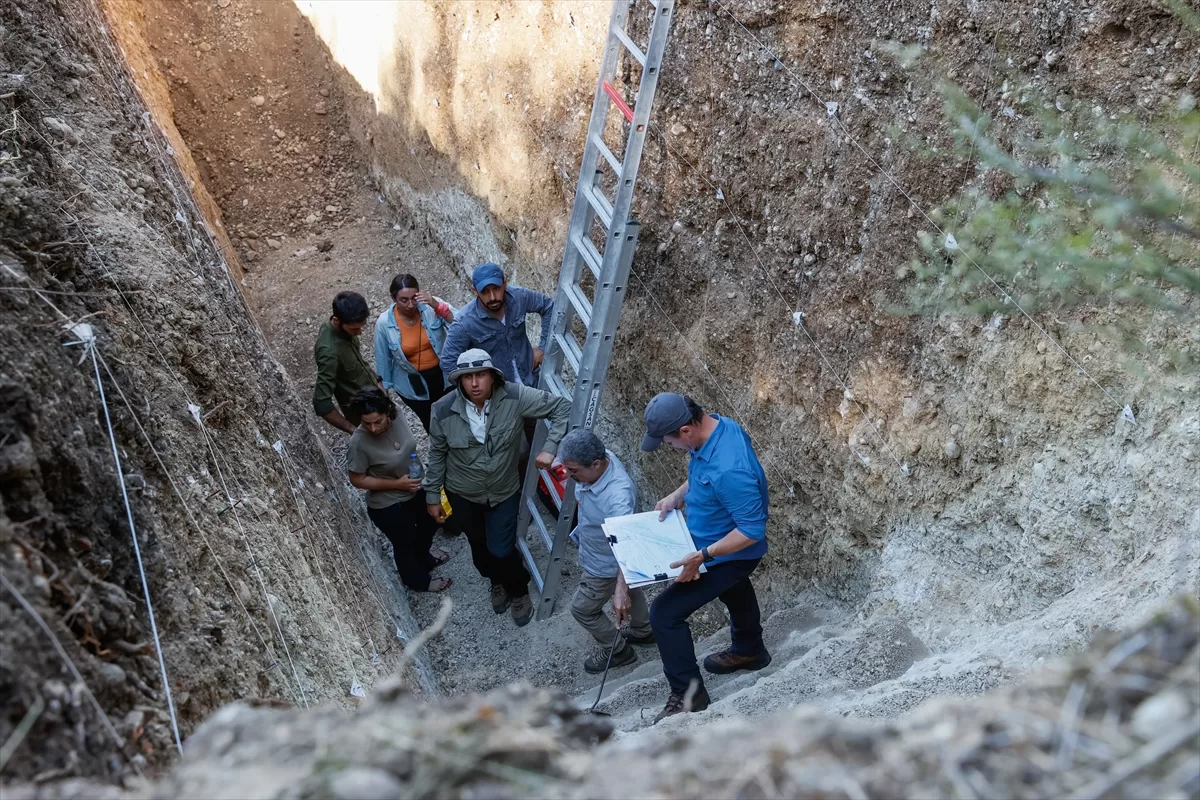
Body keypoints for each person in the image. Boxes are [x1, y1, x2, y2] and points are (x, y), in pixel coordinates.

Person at [639, 392, 771, 724]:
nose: (669, 446)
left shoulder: (730, 470)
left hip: (731, 553)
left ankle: (689, 693)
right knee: (734, 591)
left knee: (664, 613)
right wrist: (676, 496)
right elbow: (703, 472)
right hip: (713, 546)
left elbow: (751, 530)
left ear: (685, 430)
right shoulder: (719, 425)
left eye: (669, 441)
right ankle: (749, 650)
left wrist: (702, 557)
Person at [423, 349, 571, 627]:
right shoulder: (442, 410)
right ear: (459, 381)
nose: (475, 383)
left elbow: (562, 407)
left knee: (501, 549)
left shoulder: (514, 396)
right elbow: (436, 454)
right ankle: (495, 581)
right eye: (468, 377)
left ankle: (518, 589)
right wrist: (432, 495)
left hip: (503, 491)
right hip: (463, 494)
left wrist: (550, 448)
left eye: (481, 375)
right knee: (479, 548)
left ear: (493, 377)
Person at [557, 428, 654, 673]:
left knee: (582, 609)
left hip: (605, 564)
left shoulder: (617, 499)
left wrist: (619, 587)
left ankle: (617, 650)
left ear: (596, 464)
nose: (568, 475)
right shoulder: (601, 460)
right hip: (599, 550)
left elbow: (625, 546)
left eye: (573, 471)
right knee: (632, 589)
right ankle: (644, 630)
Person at [345, 388, 451, 593]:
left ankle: (424, 558)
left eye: (378, 421)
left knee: (429, 523)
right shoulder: (358, 443)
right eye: (367, 423)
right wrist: (396, 484)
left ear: (388, 413)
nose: (373, 429)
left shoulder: (399, 415)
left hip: (415, 487)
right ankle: (417, 581)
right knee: (405, 542)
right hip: (388, 503)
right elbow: (356, 479)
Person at [439, 263, 554, 389]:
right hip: (500, 394)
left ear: (504, 283)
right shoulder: (465, 322)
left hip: (533, 381)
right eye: (485, 292)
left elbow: (548, 307)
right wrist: (476, 387)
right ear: (475, 291)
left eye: (496, 288)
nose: (493, 297)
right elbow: (448, 361)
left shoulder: (518, 297)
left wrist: (543, 348)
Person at [373, 273, 456, 432]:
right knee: (431, 422)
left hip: (444, 375)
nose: (410, 305)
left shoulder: (432, 306)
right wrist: (385, 391)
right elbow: (383, 359)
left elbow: (460, 325)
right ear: (394, 299)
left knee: (454, 416)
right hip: (412, 384)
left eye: (414, 298)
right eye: (404, 300)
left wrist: (438, 306)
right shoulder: (384, 324)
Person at [313, 291, 382, 433]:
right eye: (354, 329)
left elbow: (358, 361)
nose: (359, 333)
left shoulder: (341, 326)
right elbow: (321, 403)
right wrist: (354, 430)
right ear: (337, 321)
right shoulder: (329, 352)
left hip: (378, 402)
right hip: (366, 420)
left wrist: (378, 382)